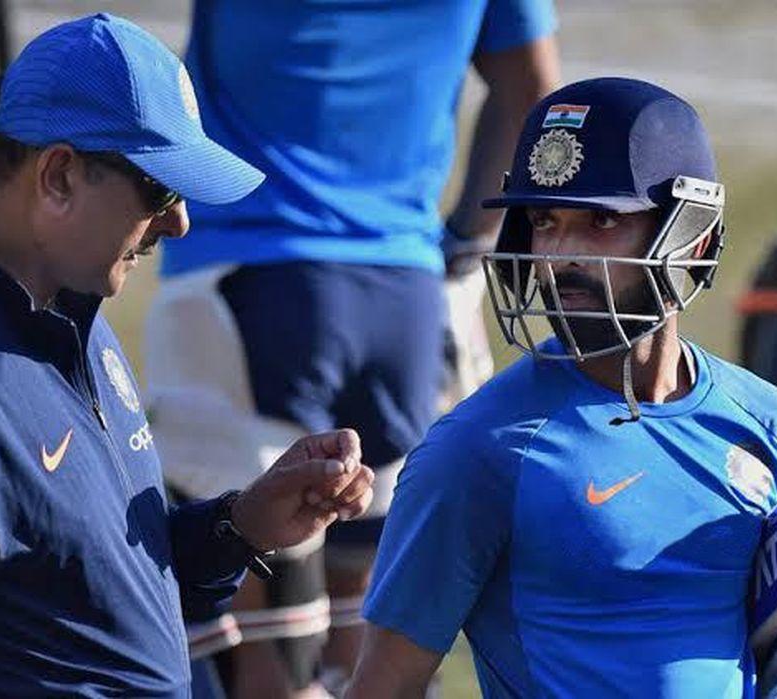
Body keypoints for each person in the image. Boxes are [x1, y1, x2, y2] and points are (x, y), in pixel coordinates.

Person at [0, 13, 374, 697]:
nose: (178, 221)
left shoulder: (70, 306)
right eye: (160, 188)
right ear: (58, 176)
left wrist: (240, 526)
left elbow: (88, 583)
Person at [346, 77, 777, 698]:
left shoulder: (767, 422)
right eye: (545, 221)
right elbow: (381, 688)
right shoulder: (477, 451)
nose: (562, 254)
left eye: (601, 220)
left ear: (693, 236)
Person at [144, 2, 560, 695]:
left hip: (245, 286)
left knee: (257, 663)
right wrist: (461, 240)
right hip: (407, 297)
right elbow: (533, 96)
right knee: (365, 660)